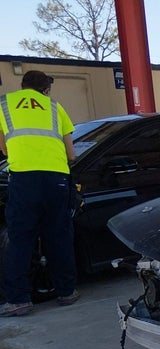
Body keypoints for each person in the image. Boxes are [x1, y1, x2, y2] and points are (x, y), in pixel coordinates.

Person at [0, 69, 78, 317]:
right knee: (58, 236)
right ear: (46, 90)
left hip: (24, 179)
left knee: (21, 239)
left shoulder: (4, 104)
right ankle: (67, 292)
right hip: (56, 179)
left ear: (23, 85)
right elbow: (71, 154)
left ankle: (19, 299)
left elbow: (3, 148)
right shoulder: (55, 107)